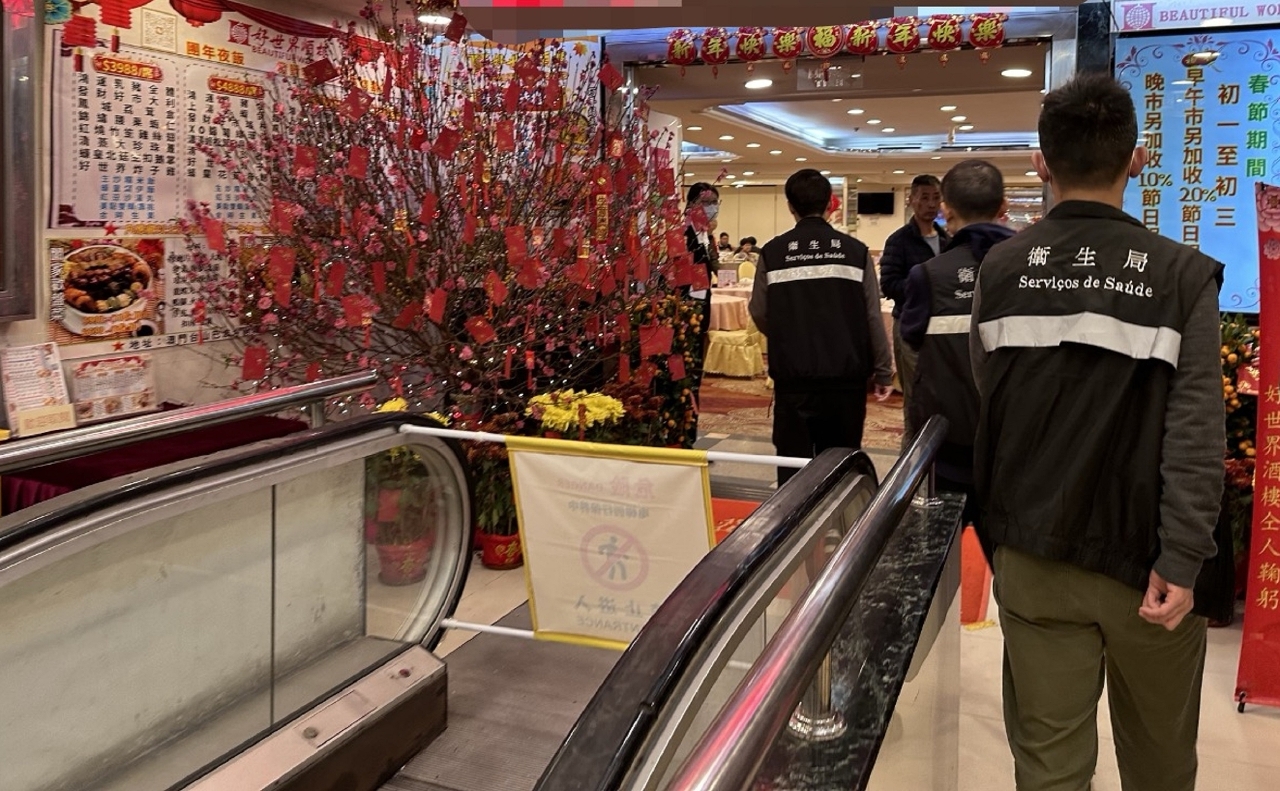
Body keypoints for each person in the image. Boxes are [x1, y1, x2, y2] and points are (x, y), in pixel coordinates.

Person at [970, 74, 1224, 791]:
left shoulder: (1002, 267)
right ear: (1137, 160)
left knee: (1048, 764)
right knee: (1160, 760)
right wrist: (1183, 556)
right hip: (1149, 564)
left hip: (1033, 551)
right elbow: (1197, 430)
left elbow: (991, 393)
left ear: (1041, 164)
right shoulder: (1180, 275)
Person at [749, 169, 893, 486]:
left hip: (793, 380)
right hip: (845, 380)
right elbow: (872, 315)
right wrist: (883, 371)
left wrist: (789, 334)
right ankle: (840, 518)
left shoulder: (773, 252)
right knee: (841, 467)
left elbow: (758, 310)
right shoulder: (855, 252)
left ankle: (793, 519)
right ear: (830, 203)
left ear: (790, 205)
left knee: (793, 470)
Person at [899, 159, 1013, 529]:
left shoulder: (928, 275)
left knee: (937, 546)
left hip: (948, 440)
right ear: (1003, 206)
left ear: (946, 209)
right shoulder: (1030, 269)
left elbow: (911, 337)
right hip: (1013, 441)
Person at [879, 174, 947, 450]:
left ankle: (939, 457)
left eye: (936, 198)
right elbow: (888, 284)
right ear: (912, 200)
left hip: (943, 328)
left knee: (943, 394)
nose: (931, 204)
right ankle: (911, 458)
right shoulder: (899, 240)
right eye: (924, 198)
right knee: (916, 398)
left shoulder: (948, 239)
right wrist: (924, 285)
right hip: (911, 328)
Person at [683, 183, 719, 443]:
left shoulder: (706, 236)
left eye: (715, 203)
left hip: (700, 315)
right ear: (692, 205)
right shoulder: (683, 235)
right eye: (707, 202)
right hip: (685, 317)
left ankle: (691, 436)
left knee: (696, 377)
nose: (712, 208)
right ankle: (684, 436)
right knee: (686, 378)